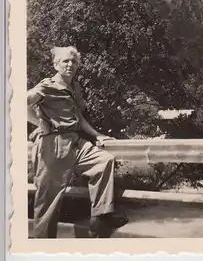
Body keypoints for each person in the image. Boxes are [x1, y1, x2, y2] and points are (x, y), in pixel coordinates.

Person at [27, 46, 128, 238]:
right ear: (56, 64)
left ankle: (99, 217)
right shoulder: (47, 85)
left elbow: (79, 119)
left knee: (103, 160)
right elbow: (19, 102)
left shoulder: (75, 87)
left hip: (75, 141)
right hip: (53, 145)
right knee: (48, 202)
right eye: (65, 61)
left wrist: (97, 135)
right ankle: (42, 248)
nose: (70, 64)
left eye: (74, 61)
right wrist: (40, 122)